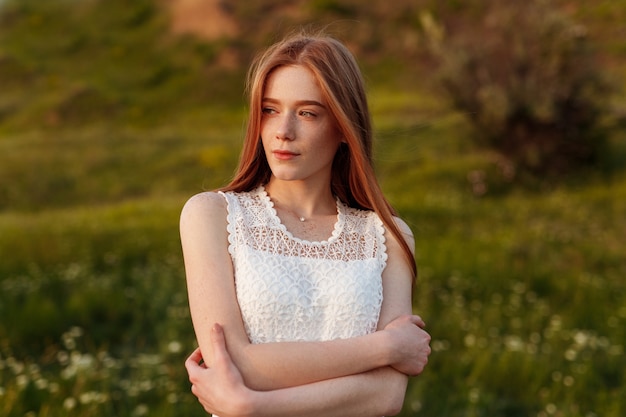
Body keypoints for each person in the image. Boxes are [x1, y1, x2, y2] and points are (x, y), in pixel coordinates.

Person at [180, 31, 431, 417]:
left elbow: (385, 396)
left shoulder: (387, 236)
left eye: (308, 113)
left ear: (344, 128)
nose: (283, 130)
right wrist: (386, 347)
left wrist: (254, 406)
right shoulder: (212, 216)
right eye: (270, 109)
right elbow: (238, 363)